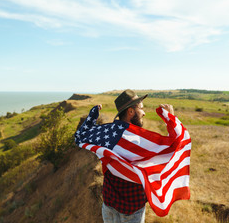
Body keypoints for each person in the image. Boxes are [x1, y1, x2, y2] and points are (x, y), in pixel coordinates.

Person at [75, 89, 190, 222]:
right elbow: (176, 144)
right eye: (141, 108)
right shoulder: (139, 140)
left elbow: (81, 136)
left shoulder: (106, 132)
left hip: (109, 205)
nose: (144, 113)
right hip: (132, 210)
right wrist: (170, 118)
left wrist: (92, 118)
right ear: (131, 111)